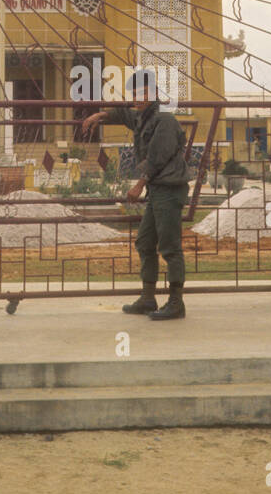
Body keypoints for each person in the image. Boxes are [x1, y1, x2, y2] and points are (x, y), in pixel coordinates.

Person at [79, 68, 189, 320]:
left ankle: (176, 302)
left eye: (143, 92)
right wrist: (100, 115)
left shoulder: (164, 120)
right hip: (157, 190)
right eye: (135, 93)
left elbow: (156, 158)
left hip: (169, 189)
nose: (137, 97)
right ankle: (148, 298)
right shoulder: (144, 117)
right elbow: (124, 115)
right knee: (145, 242)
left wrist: (139, 185)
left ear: (155, 93)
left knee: (170, 247)